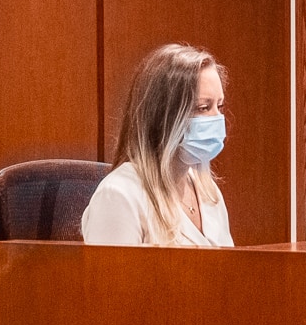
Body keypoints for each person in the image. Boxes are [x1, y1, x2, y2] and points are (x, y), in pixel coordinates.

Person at [81, 44, 234, 247]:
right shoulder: (119, 194)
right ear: (163, 117)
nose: (217, 118)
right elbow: (110, 278)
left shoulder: (207, 191)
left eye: (219, 106)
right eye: (203, 107)